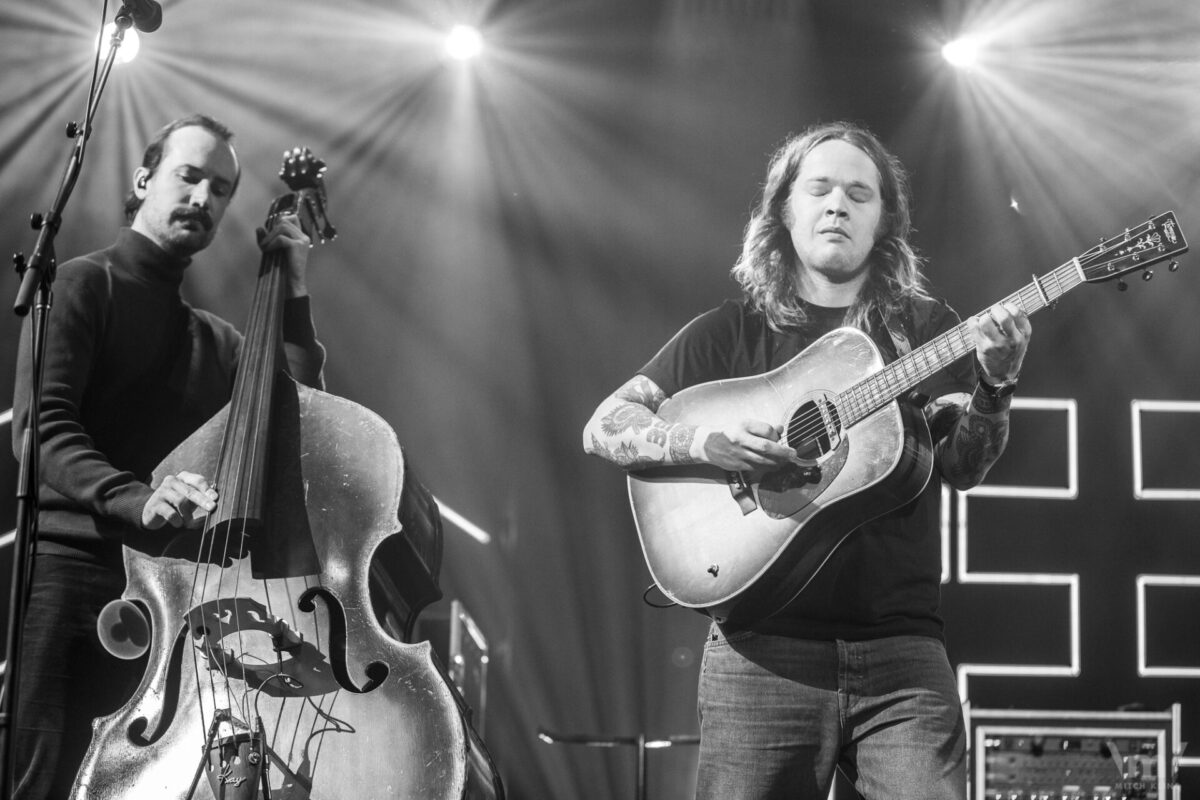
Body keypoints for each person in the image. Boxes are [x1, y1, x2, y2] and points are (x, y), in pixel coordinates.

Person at [582, 121, 1032, 800]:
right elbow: (604, 426)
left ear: (883, 221)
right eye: (818, 188)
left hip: (902, 652)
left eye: (859, 193)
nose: (836, 205)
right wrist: (706, 443)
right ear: (785, 210)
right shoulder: (725, 334)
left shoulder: (926, 332)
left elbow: (962, 466)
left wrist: (995, 386)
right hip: (759, 651)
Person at [9, 114, 325, 799]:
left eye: (220, 188)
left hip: (172, 603)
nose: (204, 198)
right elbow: (43, 432)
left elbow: (299, 409)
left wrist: (291, 283)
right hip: (71, 577)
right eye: (190, 176)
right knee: (40, 778)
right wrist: (136, 497)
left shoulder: (214, 344)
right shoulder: (84, 286)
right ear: (145, 178)